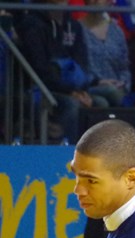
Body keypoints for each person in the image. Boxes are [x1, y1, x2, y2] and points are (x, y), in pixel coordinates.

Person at [17, 0, 109, 143]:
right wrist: (71, 91)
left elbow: (81, 63)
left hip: (72, 87)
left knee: (106, 98)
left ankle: (96, 150)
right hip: (40, 88)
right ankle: (66, 149)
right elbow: (40, 70)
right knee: (72, 105)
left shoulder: (73, 25)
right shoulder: (33, 25)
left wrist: (81, 90)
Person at [79, 0, 131, 106]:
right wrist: (97, 81)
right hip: (89, 86)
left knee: (112, 95)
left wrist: (123, 84)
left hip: (116, 87)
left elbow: (124, 68)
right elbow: (75, 67)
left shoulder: (117, 31)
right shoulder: (77, 29)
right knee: (106, 98)